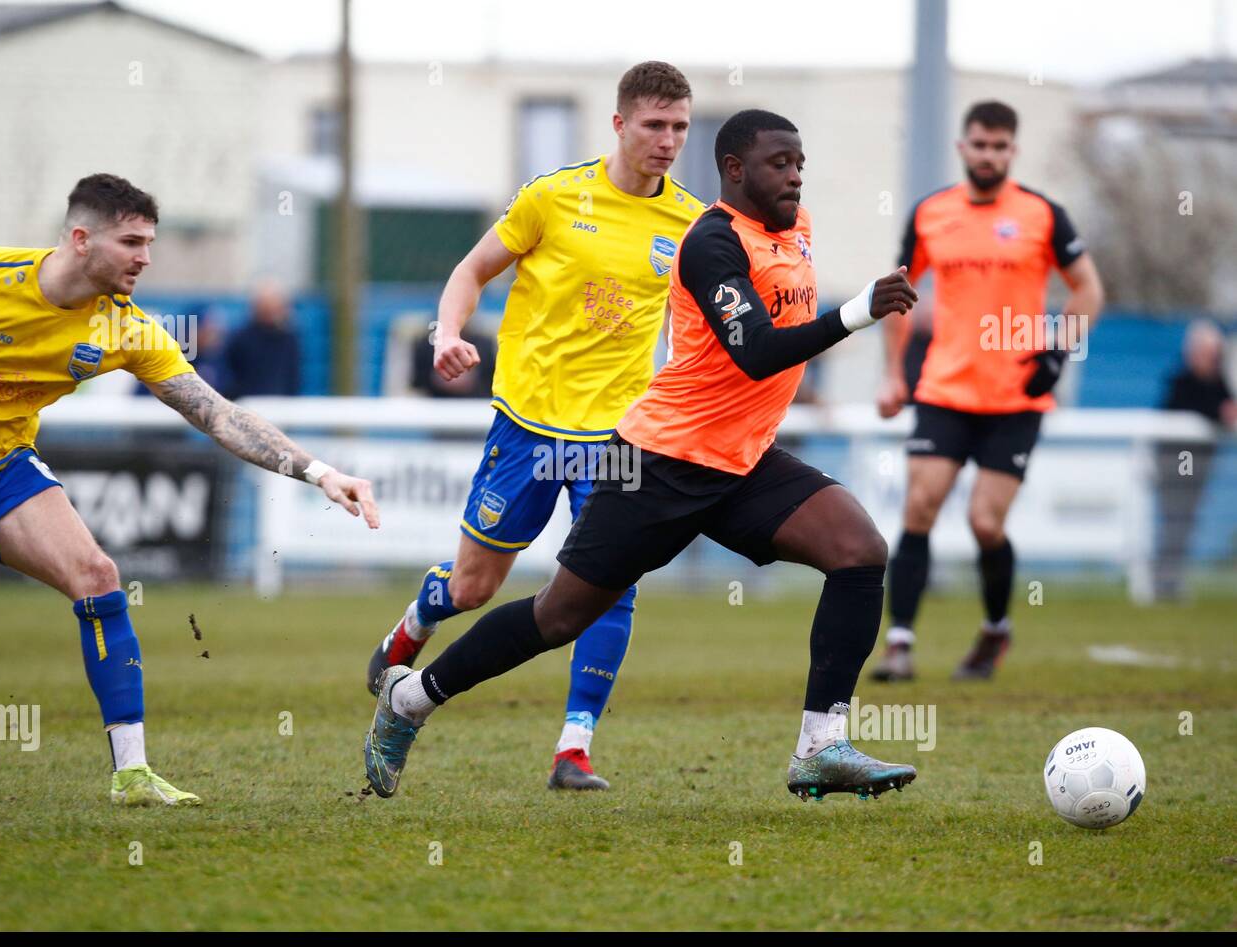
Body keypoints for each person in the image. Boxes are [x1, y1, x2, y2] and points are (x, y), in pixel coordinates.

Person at [363, 109, 920, 803]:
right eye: (781, 163)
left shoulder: (796, 231)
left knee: (860, 549)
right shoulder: (711, 242)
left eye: (800, 162)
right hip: (663, 460)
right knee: (560, 615)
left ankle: (820, 747)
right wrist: (856, 311)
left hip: (744, 460)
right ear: (735, 171)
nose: (795, 175)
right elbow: (754, 353)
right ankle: (413, 699)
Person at [0, 173, 378, 806]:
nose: (146, 257)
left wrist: (320, 472)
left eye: (150, 242)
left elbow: (216, 414)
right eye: (132, 242)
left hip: (4, 467)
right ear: (82, 239)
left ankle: (132, 776)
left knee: (98, 576)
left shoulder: (126, 328)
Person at [364, 61, 704, 791]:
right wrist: (446, 335)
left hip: (616, 437)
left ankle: (573, 749)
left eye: (679, 126)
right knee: (475, 586)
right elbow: (470, 270)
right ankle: (410, 630)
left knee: (610, 583)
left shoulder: (691, 223)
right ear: (619, 124)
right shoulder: (552, 197)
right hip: (528, 426)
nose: (668, 140)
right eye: (654, 125)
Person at [871, 100, 1104, 682]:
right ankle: (899, 645)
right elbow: (898, 294)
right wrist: (892, 373)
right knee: (919, 507)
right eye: (980, 144)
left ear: (1013, 151)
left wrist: (1057, 350)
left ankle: (996, 629)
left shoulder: (1042, 214)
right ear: (963, 146)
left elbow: (1089, 290)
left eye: (1000, 147)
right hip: (944, 390)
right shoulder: (931, 214)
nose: (989, 155)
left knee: (984, 524)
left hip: (1015, 399)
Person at [1153, 319, 1236, 599]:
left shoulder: (1219, 381)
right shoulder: (1182, 381)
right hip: (1179, 462)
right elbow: (1194, 409)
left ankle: (1172, 579)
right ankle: (1164, 580)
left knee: (1186, 520)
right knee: (1175, 519)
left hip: (1199, 463)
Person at [222, 282, 301, 399]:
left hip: (282, 406)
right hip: (248, 404)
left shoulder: (289, 339)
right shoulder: (241, 339)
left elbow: (292, 377)